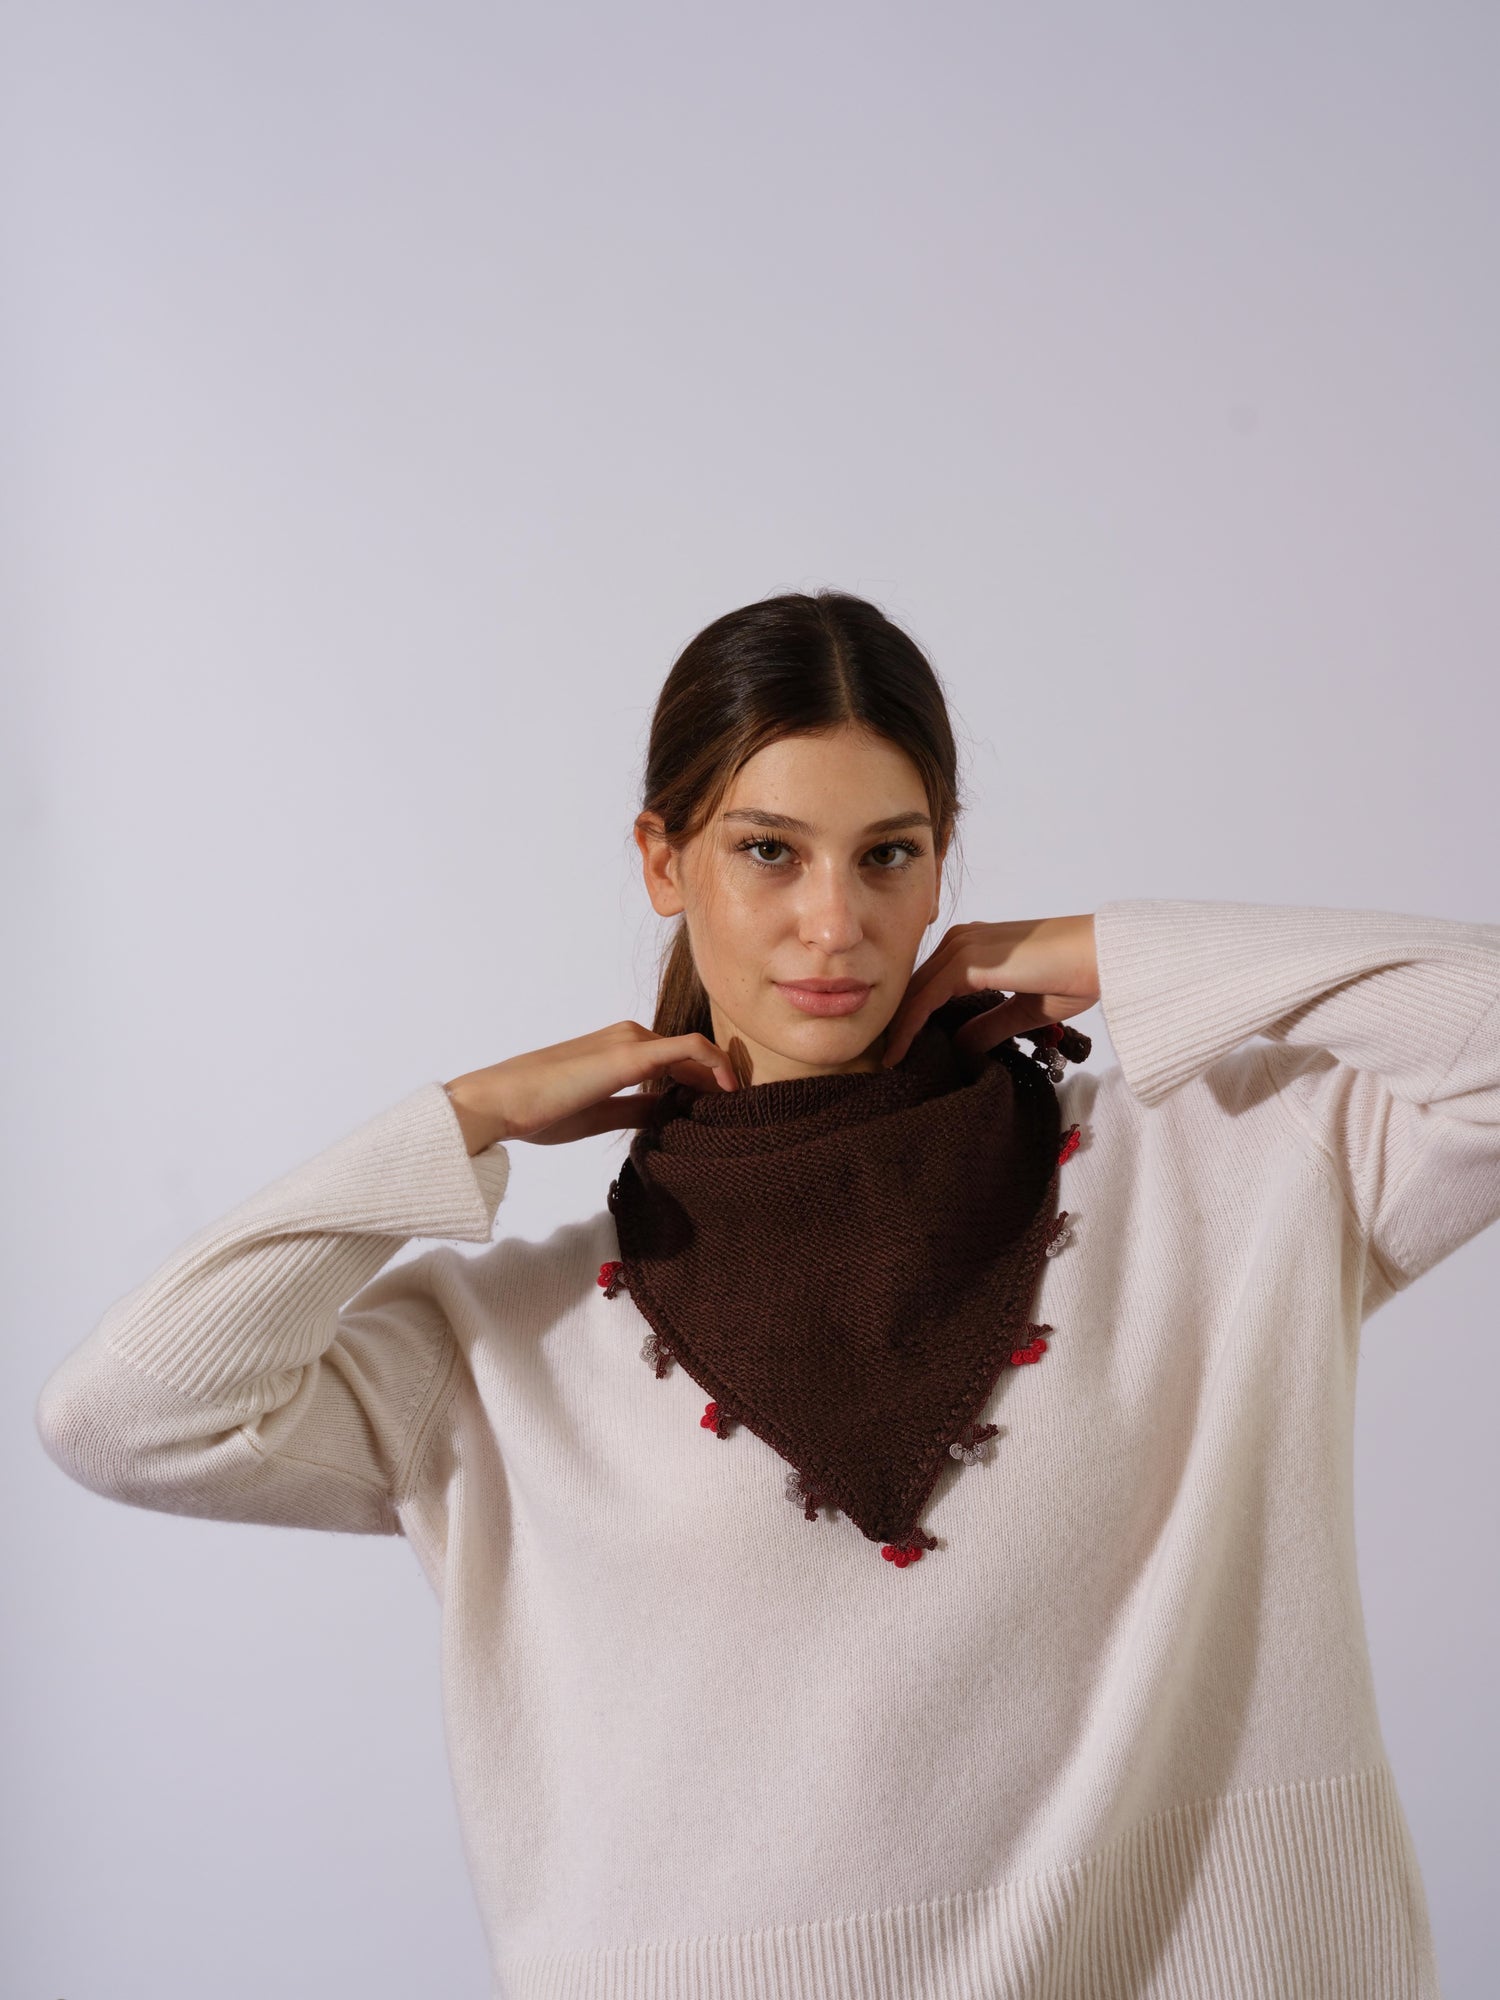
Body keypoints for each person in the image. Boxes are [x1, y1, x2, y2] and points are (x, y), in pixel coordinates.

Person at [36, 589, 1499, 1999]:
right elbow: (127, 1414)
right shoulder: (512, 1349)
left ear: (946, 867)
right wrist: (465, 1118)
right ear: (663, 864)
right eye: (768, 852)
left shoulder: (1212, 1178)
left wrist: (1116, 952)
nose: (835, 924)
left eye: (888, 855)